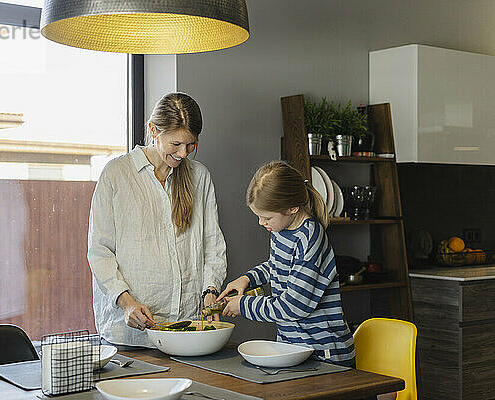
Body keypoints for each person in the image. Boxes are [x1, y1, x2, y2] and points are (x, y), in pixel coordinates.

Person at [87, 92, 227, 348]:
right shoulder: (117, 175)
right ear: (153, 130)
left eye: (191, 145)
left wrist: (210, 291)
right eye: (176, 144)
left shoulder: (200, 177)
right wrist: (126, 302)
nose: (184, 153)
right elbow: (100, 252)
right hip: (130, 334)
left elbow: (213, 246)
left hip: (188, 329)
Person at [217, 161, 355, 367]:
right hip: (294, 347)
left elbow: (293, 306)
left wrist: (244, 306)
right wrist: (248, 279)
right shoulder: (281, 230)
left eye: (266, 217)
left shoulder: (310, 238)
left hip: (325, 352)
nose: (261, 223)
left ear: (292, 208)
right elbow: (277, 265)